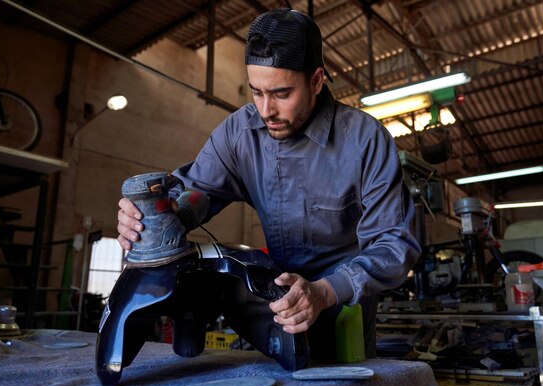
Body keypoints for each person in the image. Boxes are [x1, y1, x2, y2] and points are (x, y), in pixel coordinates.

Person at [117, 8, 421, 361]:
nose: (266, 110)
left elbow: (394, 243)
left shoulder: (365, 140)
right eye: (256, 92)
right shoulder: (237, 133)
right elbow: (199, 189)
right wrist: (163, 216)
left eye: (280, 93)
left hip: (343, 307)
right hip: (275, 306)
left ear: (317, 81)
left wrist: (324, 292)